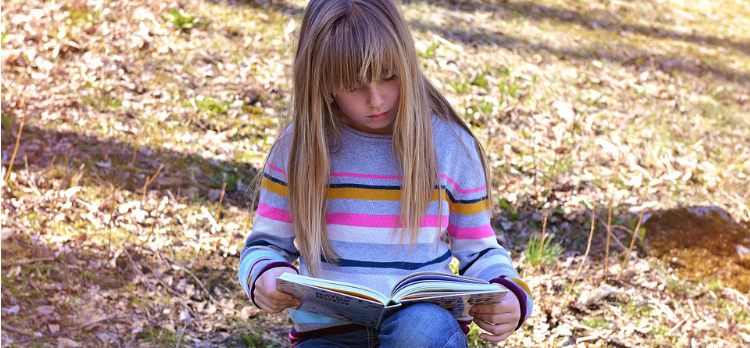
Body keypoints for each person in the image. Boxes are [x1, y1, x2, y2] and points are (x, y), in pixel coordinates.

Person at [238, 0, 533, 346]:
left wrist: (509, 294)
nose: (376, 99)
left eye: (388, 76)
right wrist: (265, 276)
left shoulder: (450, 146)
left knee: (423, 330)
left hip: (421, 328)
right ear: (323, 83)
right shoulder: (298, 149)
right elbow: (265, 245)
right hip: (329, 332)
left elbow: (480, 250)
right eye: (354, 85)